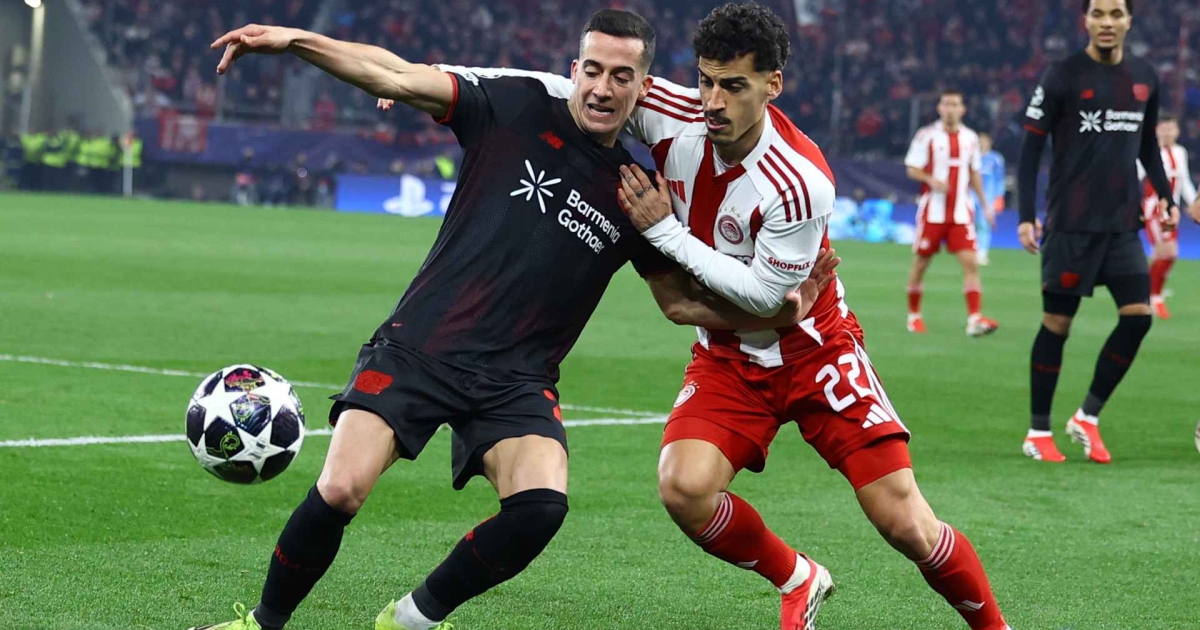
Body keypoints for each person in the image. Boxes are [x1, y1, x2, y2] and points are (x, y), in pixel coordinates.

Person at [193, 10, 837, 630]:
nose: (603, 88)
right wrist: (295, 40)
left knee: (539, 508)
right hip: (421, 346)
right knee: (341, 489)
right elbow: (394, 73)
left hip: (516, 380)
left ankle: (412, 619)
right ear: (574, 70)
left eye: (621, 77)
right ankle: (262, 623)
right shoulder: (514, 105)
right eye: (593, 70)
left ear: (643, 90)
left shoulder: (637, 189)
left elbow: (679, 305)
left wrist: (776, 310)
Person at [442, 4, 1012, 629]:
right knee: (683, 488)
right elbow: (569, 86)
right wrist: (444, 82)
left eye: (733, 86)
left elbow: (767, 299)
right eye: (706, 81)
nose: (713, 101)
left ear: (772, 85)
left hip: (816, 350)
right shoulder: (674, 112)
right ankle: (798, 577)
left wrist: (666, 232)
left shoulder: (800, 181)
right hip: (729, 354)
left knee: (904, 522)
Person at [1017, 0, 1185, 464]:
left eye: (1115, 14)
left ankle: (1087, 416)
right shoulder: (1062, 75)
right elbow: (1030, 150)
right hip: (1071, 225)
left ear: (1129, 20)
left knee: (1139, 317)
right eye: (1098, 13)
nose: (1106, 22)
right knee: (1058, 324)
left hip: (1122, 225)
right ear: (1086, 21)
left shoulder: (1145, 77)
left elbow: (1147, 145)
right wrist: (1026, 215)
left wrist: (1166, 196)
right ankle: (1037, 430)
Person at [903, 89, 999, 336]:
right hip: (932, 213)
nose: (950, 109)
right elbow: (911, 168)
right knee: (921, 264)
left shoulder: (970, 138)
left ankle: (974, 319)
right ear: (939, 108)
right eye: (946, 104)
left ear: (962, 109)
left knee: (971, 264)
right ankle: (914, 316)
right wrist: (930, 180)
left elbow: (974, 173)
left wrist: (985, 206)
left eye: (955, 104)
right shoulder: (926, 135)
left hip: (960, 214)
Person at [1136, 114, 1198, 319]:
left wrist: (1193, 202)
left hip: (1172, 210)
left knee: (1162, 254)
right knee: (1169, 251)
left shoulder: (1180, 152)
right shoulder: (1149, 152)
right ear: (1156, 130)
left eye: (1171, 128)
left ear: (1177, 131)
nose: (1168, 132)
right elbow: (1134, 176)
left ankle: (1147, 293)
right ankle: (1154, 296)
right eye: (1164, 128)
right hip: (1154, 209)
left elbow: (1184, 180)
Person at [975, 132, 1007, 266]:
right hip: (970, 195)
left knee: (984, 224)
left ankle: (982, 253)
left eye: (984, 141)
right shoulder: (972, 157)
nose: (981, 143)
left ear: (989, 142)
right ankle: (970, 251)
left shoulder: (996, 159)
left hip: (988, 197)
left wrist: (999, 196)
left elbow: (1000, 178)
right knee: (969, 224)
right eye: (979, 141)